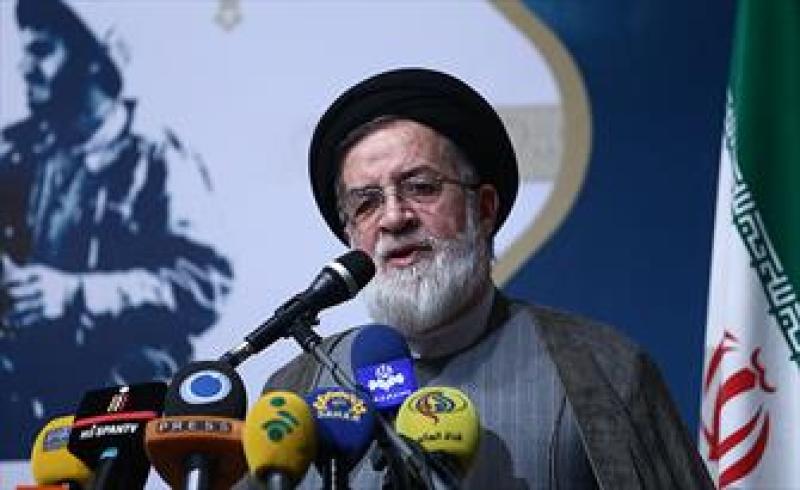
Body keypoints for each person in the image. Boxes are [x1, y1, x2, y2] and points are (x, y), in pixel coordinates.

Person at [254, 68, 713, 489]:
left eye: (421, 187)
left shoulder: (603, 370)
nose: (393, 218)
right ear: (351, 236)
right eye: (367, 203)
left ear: (485, 208)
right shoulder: (297, 388)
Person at [0, 0, 232, 458]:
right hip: (30, 383)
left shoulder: (159, 158)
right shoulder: (17, 151)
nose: (24, 67)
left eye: (42, 51)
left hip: (126, 394)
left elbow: (203, 284)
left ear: (93, 59)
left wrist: (72, 294)